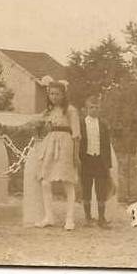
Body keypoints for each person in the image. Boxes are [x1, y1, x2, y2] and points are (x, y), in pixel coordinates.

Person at [34, 79, 81, 230]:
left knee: (67, 182)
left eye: (57, 94)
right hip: (50, 144)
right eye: (51, 94)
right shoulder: (48, 111)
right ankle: (49, 217)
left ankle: (70, 219)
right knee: (45, 181)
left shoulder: (71, 110)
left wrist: (76, 155)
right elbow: (36, 121)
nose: (54, 97)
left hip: (66, 145)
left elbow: (76, 135)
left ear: (63, 95)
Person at [78, 95, 114, 228]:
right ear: (86, 109)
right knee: (86, 189)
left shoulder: (103, 124)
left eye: (96, 108)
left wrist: (108, 165)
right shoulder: (81, 123)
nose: (94, 110)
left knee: (101, 190)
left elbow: (106, 146)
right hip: (86, 160)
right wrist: (77, 160)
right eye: (91, 107)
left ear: (100, 109)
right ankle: (88, 218)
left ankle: (101, 218)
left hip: (100, 160)